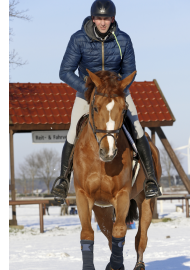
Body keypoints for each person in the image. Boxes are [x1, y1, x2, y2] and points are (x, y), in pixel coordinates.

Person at [52, 0, 161, 200]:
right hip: (88, 94)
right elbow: (64, 71)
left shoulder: (124, 40)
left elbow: (129, 71)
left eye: (107, 19)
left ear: (113, 19)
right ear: (93, 19)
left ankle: (151, 179)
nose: (103, 23)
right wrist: (88, 90)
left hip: (117, 94)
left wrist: (118, 92)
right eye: (100, 19)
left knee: (137, 128)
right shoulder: (78, 39)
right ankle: (63, 180)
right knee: (72, 131)